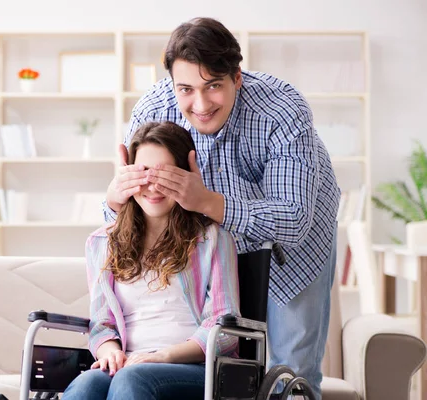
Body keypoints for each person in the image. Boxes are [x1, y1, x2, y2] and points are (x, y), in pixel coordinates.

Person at [103, 17, 340, 400]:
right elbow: (126, 219)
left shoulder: (281, 109)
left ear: (237, 77)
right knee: (227, 374)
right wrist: (115, 198)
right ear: (172, 83)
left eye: (213, 85)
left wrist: (206, 202)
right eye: (186, 89)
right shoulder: (155, 108)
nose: (200, 104)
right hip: (212, 249)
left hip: (294, 250)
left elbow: (295, 220)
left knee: (290, 372)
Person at [62, 121, 240, 400]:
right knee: (87, 385)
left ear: (185, 175)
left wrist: (162, 357)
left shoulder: (212, 239)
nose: (153, 185)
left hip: (193, 368)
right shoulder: (102, 242)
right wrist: (111, 352)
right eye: (143, 172)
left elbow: (225, 330)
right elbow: (101, 324)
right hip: (129, 363)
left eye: (166, 174)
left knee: (131, 380)